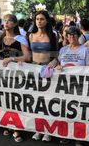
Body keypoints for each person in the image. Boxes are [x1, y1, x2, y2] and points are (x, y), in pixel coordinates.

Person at [0, 14, 30, 142]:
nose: (6, 23)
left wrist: (12, 58)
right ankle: (7, 123)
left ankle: (17, 128)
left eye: (10, 21)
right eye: (5, 21)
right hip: (2, 75)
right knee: (4, 99)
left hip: (17, 75)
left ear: (15, 24)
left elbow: (28, 57)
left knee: (15, 101)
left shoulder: (20, 39)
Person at [56, 26, 89, 146]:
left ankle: (79, 137)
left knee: (78, 112)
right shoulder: (63, 50)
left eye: (74, 35)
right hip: (64, 86)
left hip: (79, 86)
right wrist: (58, 67)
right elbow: (59, 64)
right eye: (69, 35)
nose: (71, 37)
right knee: (65, 111)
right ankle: (67, 134)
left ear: (79, 36)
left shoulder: (85, 50)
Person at [29, 10, 58, 142]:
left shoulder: (53, 35)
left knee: (47, 101)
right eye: (37, 19)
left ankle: (48, 131)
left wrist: (53, 63)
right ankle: (38, 129)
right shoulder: (30, 35)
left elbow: (56, 56)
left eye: (41, 19)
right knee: (36, 101)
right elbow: (28, 55)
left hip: (47, 71)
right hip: (34, 69)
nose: (39, 21)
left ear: (46, 21)